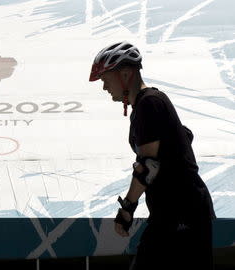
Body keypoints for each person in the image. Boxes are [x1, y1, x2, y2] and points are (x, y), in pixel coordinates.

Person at [89, 41, 216, 270]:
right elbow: (184, 137)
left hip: (180, 214)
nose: (105, 87)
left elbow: (148, 166)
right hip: (182, 212)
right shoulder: (152, 103)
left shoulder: (149, 104)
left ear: (125, 74)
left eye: (106, 79)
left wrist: (127, 209)